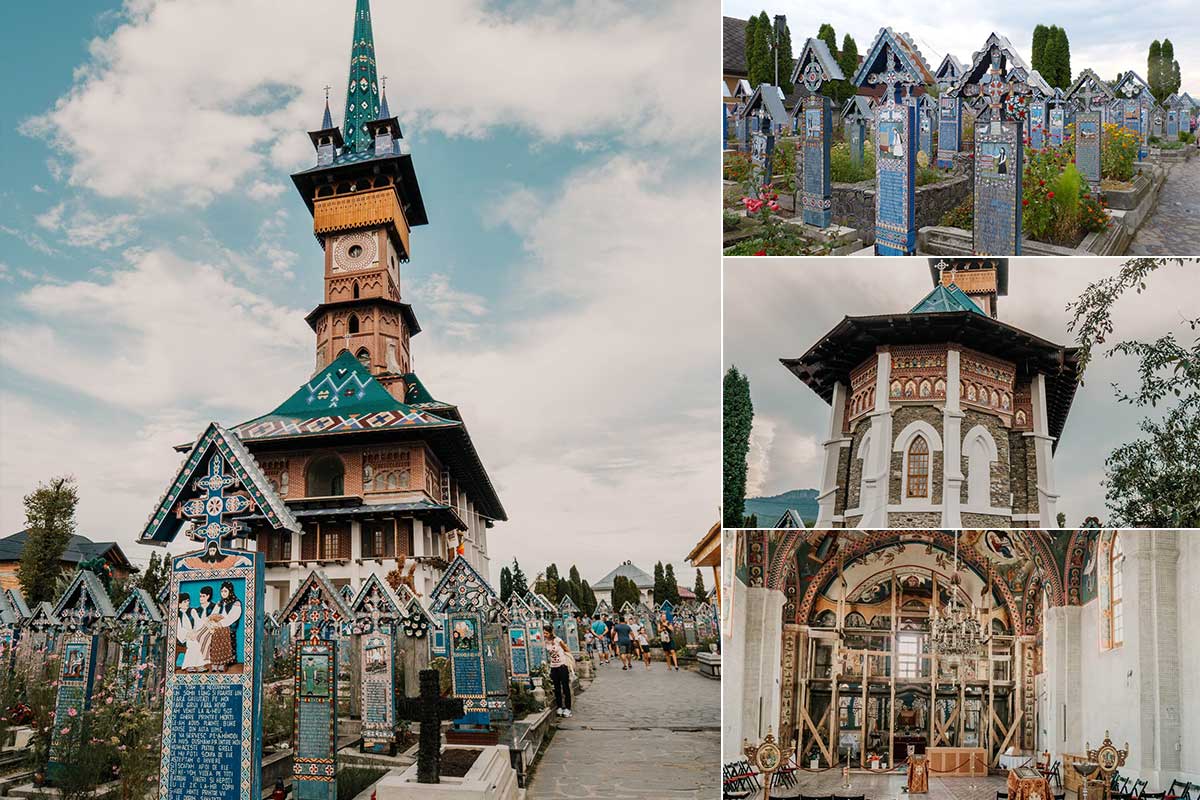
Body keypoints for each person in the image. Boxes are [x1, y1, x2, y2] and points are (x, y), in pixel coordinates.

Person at [206, 581, 242, 672]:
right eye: (222, 591)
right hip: (217, 625)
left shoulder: (236, 603)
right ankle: (215, 662)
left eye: (225, 591)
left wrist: (220, 624)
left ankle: (223, 662)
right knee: (214, 636)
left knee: (222, 635)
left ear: (230, 591)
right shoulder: (220, 602)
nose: (223, 593)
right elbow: (214, 613)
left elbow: (233, 617)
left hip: (228, 626)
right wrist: (212, 622)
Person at [545, 624, 574, 717]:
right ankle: (559, 707)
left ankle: (568, 708)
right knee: (556, 688)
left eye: (546, 633)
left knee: (565, 687)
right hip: (553, 666)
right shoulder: (545, 642)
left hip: (562, 665)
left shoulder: (558, 640)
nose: (545, 635)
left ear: (550, 633)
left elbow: (567, 649)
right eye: (544, 633)